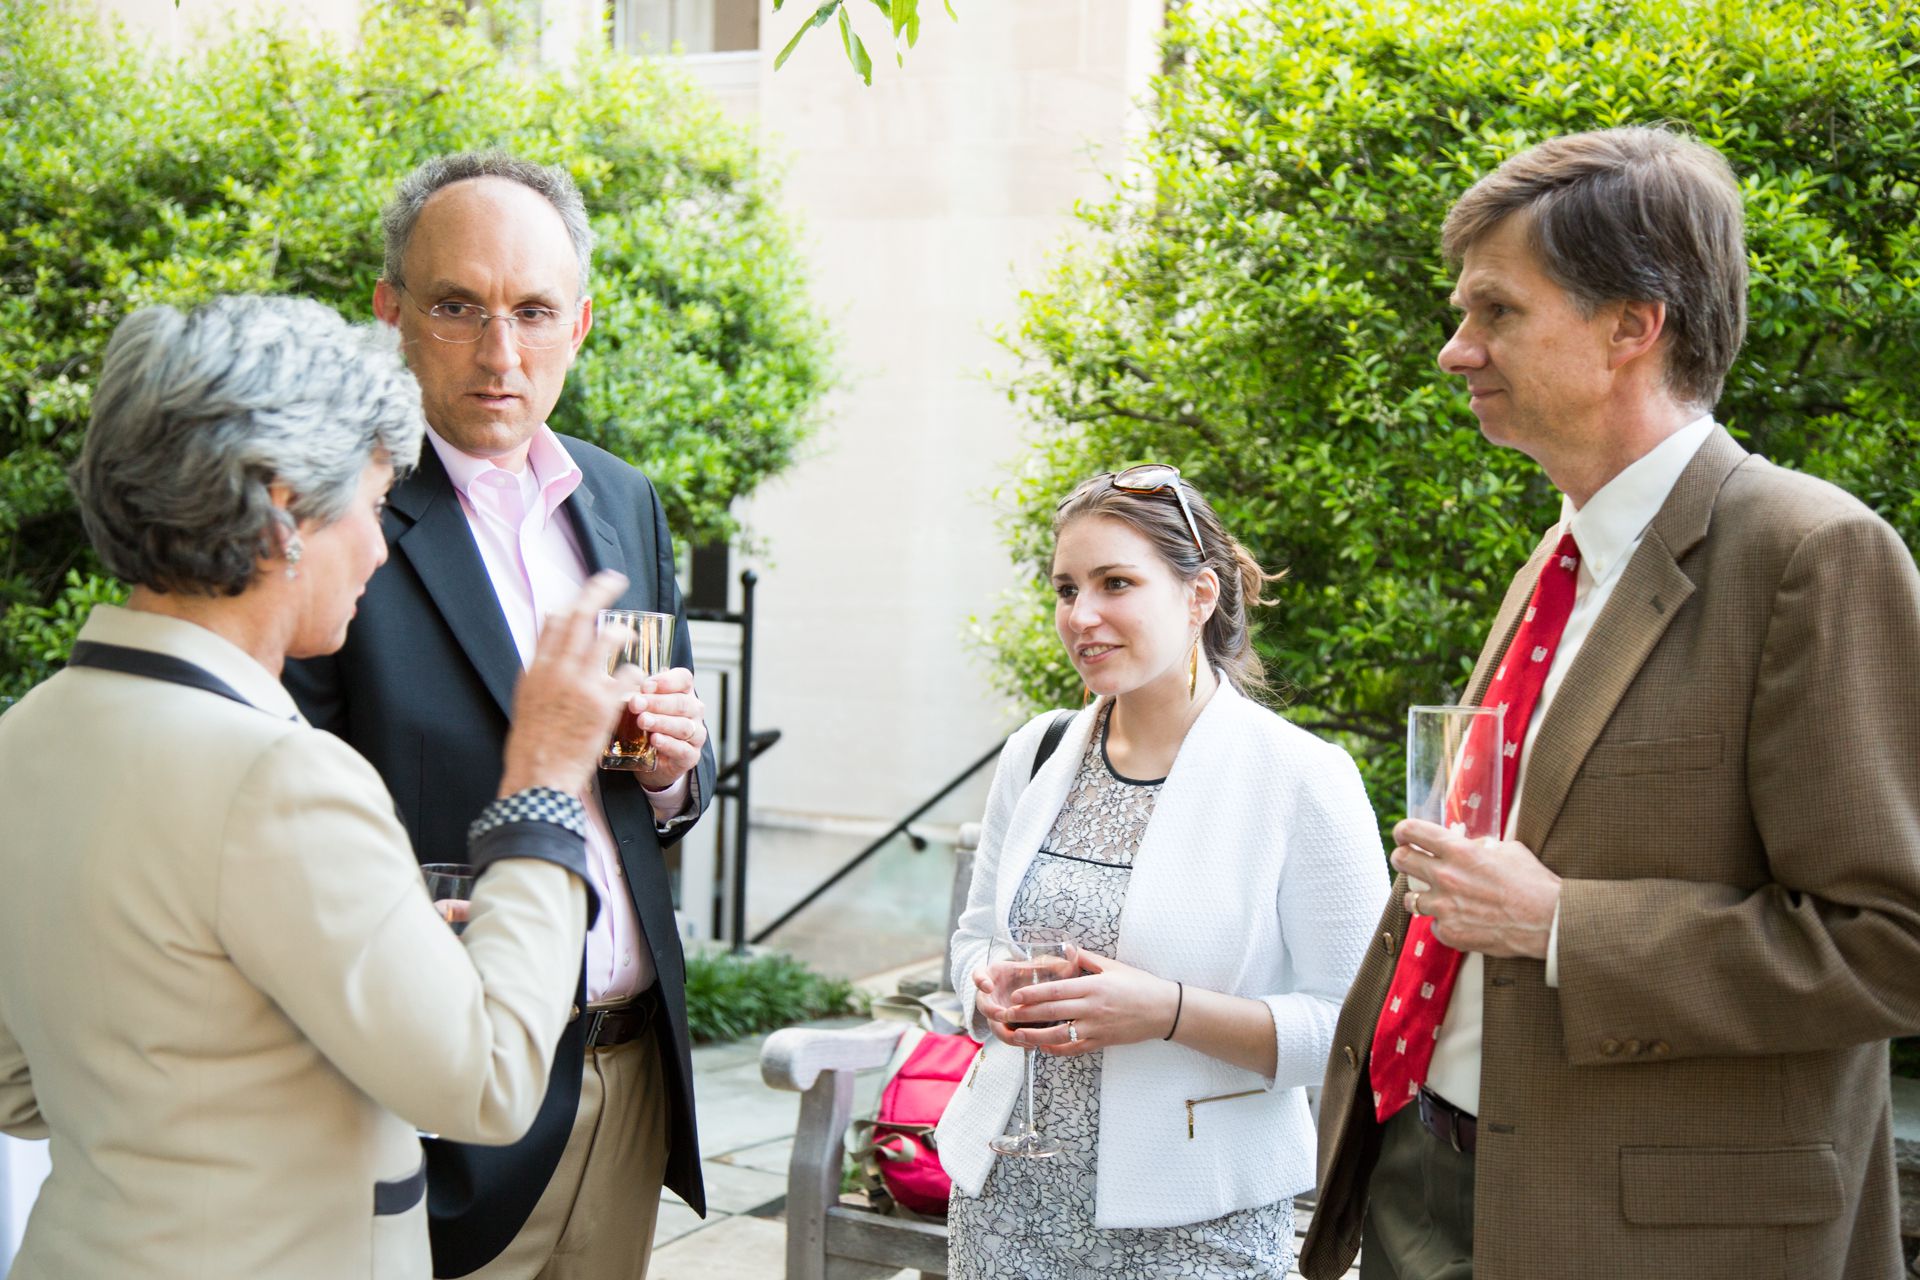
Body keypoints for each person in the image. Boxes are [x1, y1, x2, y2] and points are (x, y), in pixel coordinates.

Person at [1299, 126, 1920, 1280]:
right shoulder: (1559, 555)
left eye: (1496, 311)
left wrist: (1563, 923)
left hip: (1651, 1233)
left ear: (1634, 324)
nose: (1455, 349)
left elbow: (1893, 942)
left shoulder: (1813, 552)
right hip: (1420, 1174)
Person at [0, 295, 642, 1279]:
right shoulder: (279, 777)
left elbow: (20, 1079)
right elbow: (491, 1077)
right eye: (376, 507)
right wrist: (544, 776)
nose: (383, 551)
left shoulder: (29, 733)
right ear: (281, 508)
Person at [283, 152, 716, 1280]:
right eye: (458, 307)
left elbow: (657, 796)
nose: (500, 353)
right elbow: (294, 812)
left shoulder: (624, 498)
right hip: (445, 1103)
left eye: (531, 311)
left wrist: (673, 765)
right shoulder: (338, 517)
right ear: (393, 312)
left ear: (580, 321)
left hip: (630, 1080)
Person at [937, 465, 1389, 1278]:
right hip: (1003, 1204)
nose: (1082, 616)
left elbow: (1356, 1036)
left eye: (1116, 583)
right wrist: (987, 986)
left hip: (1195, 1222)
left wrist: (1167, 1011)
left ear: (1199, 596)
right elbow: (974, 942)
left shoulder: (1301, 778)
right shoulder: (1036, 752)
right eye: (1065, 588)